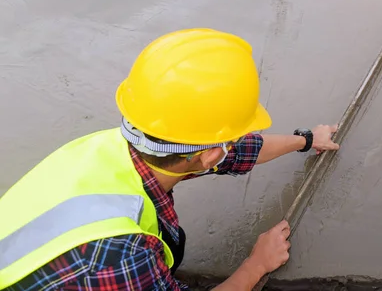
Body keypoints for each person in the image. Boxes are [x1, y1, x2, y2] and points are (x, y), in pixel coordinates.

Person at [0, 29, 340, 290]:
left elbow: (235, 152)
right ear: (208, 154)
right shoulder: (119, 256)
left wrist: (306, 140)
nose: (233, 145)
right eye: (228, 140)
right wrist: (256, 265)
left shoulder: (123, 145)